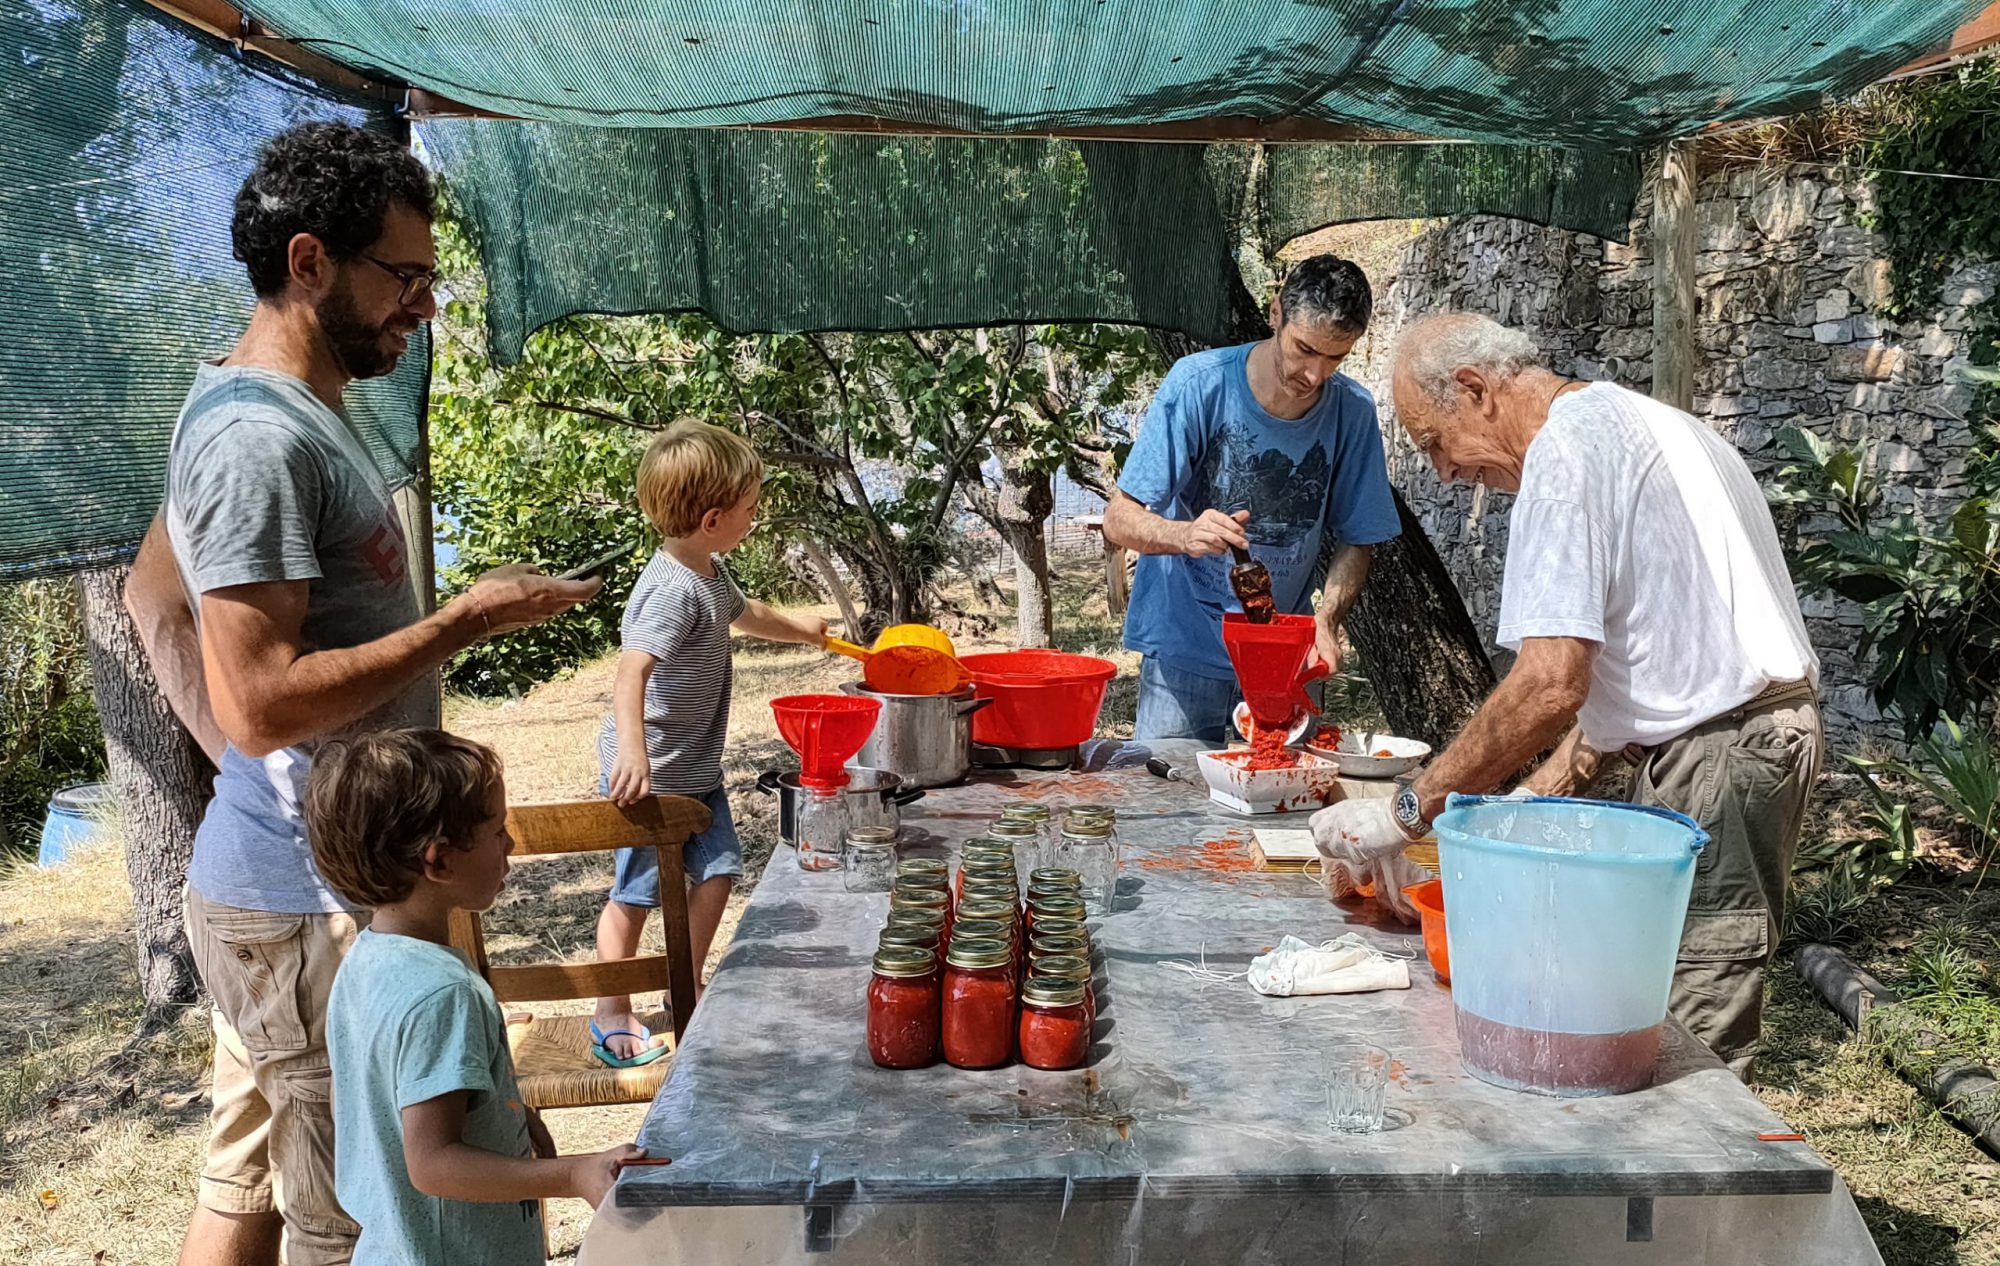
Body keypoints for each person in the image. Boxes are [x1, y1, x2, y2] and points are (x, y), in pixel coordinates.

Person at [123, 122, 599, 1266]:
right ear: (309, 263)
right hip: (307, 906)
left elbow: (156, 599)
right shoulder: (251, 438)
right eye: (406, 275)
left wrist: (263, 781)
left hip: (291, 885)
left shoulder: (275, 410)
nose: (424, 305)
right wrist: (463, 621)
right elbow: (257, 699)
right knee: (349, 1220)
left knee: (251, 1170)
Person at [1312, 312, 1823, 1079]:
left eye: (1432, 444)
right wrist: (1526, 799)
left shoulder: (1565, 456)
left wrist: (1408, 809)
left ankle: (1680, 1189)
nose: (1446, 473)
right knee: (1650, 996)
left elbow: (1551, 684)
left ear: (1477, 390)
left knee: (1686, 1038)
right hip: (1742, 739)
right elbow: (1648, 675)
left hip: (1725, 752)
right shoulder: (1648, 422)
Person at [308, 729, 645, 1264]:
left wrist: (511, 1112)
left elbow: (404, 1103)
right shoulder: (445, 993)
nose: (510, 844)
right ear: (439, 862)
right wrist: (573, 1173)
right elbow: (432, 1162)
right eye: (496, 831)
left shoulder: (368, 960)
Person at [590, 419, 828, 1065]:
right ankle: (610, 1006)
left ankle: (680, 985)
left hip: (695, 766)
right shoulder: (670, 590)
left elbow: (747, 616)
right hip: (654, 772)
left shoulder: (710, 573)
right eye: (751, 509)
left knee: (720, 870)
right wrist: (634, 754)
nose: (757, 517)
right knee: (636, 893)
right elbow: (630, 672)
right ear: (715, 518)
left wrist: (805, 632)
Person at [1103, 255, 1401, 742]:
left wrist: (1326, 621)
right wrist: (1184, 534)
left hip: (1287, 656)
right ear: (1276, 312)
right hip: (1186, 647)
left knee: (1285, 805)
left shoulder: (1353, 412)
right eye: (1304, 349)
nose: (1314, 375)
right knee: (1169, 812)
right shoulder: (1199, 385)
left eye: (1335, 358)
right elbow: (1119, 519)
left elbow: (1358, 540)